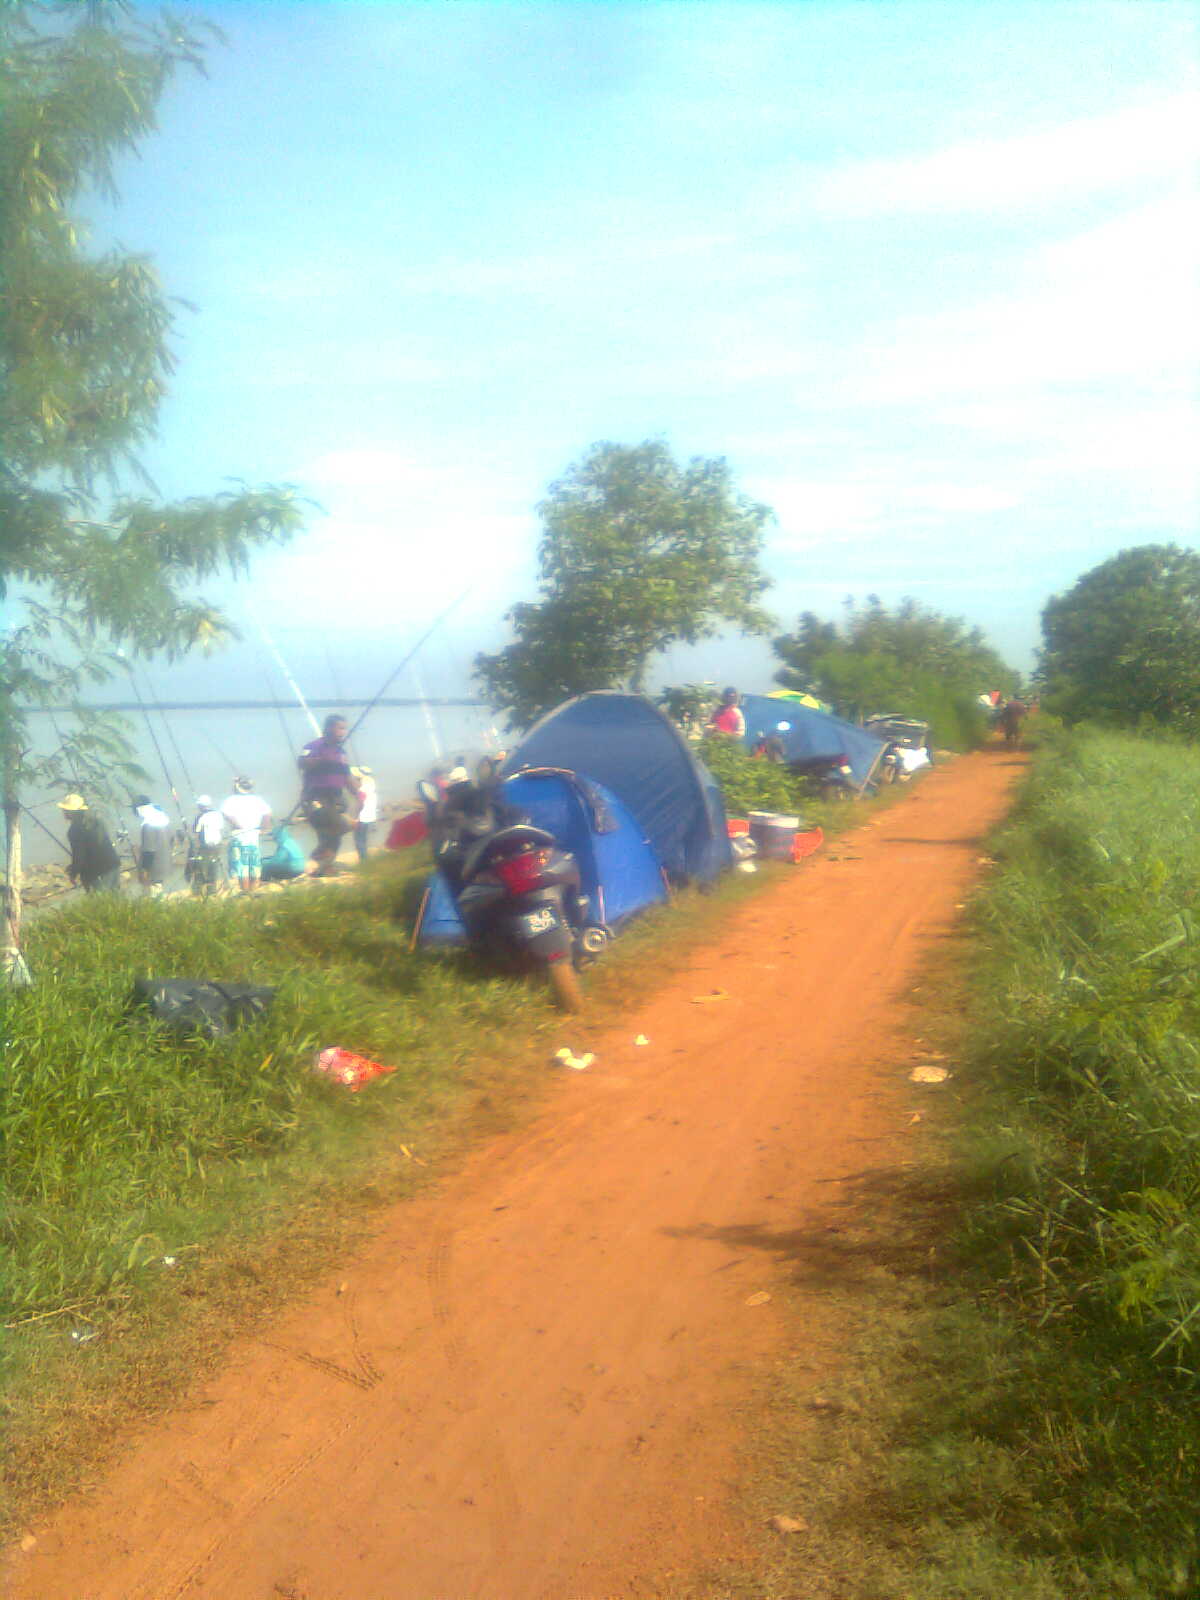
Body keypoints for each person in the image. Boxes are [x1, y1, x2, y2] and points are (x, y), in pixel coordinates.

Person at [298, 714, 359, 875]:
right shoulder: (314, 746)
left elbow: (347, 775)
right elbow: (301, 763)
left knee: (334, 835)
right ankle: (317, 858)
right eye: (340, 728)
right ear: (329, 728)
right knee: (334, 826)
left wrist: (357, 793)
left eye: (345, 729)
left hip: (337, 797)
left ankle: (324, 867)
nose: (343, 732)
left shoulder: (341, 752)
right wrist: (321, 759)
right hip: (316, 796)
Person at [57, 794, 121, 893]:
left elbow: (79, 856)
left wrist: (73, 874)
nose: (63, 813)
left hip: (98, 872)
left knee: (100, 900)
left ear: (71, 812)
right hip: (113, 864)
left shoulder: (75, 830)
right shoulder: (95, 821)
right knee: (115, 898)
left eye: (65, 810)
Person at [221, 777, 272, 893]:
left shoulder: (231, 800)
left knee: (242, 867)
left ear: (237, 787)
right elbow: (268, 813)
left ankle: (246, 892)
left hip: (239, 837)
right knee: (254, 865)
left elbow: (226, 814)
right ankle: (254, 891)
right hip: (254, 837)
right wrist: (264, 828)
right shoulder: (258, 800)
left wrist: (239, 825)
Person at [132, 795, 172, 896]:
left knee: (152, 895)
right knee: (159, 891)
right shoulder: (162, 818)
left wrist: (145, 870)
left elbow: (149, 850)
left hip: (154, 868)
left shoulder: (148, 824)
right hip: (165, 863)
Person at [188, 795, 225, 898]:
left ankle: (197, 891)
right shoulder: (218, 815)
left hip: (205, 846)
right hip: (217, 844)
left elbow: (196, 831)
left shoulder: (201, 817)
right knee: (213, 866)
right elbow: (220, 828)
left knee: (200, 868)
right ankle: (212, 891)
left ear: (200, 806)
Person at [351, 765, 378, 864]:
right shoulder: (371, 786)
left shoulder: (362, 789)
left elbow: (360, 803)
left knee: (358, 839)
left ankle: (363, 861)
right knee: (363, 838)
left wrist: (355, 818)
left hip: (361, 817)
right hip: (370, 817)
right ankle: (365, 859)